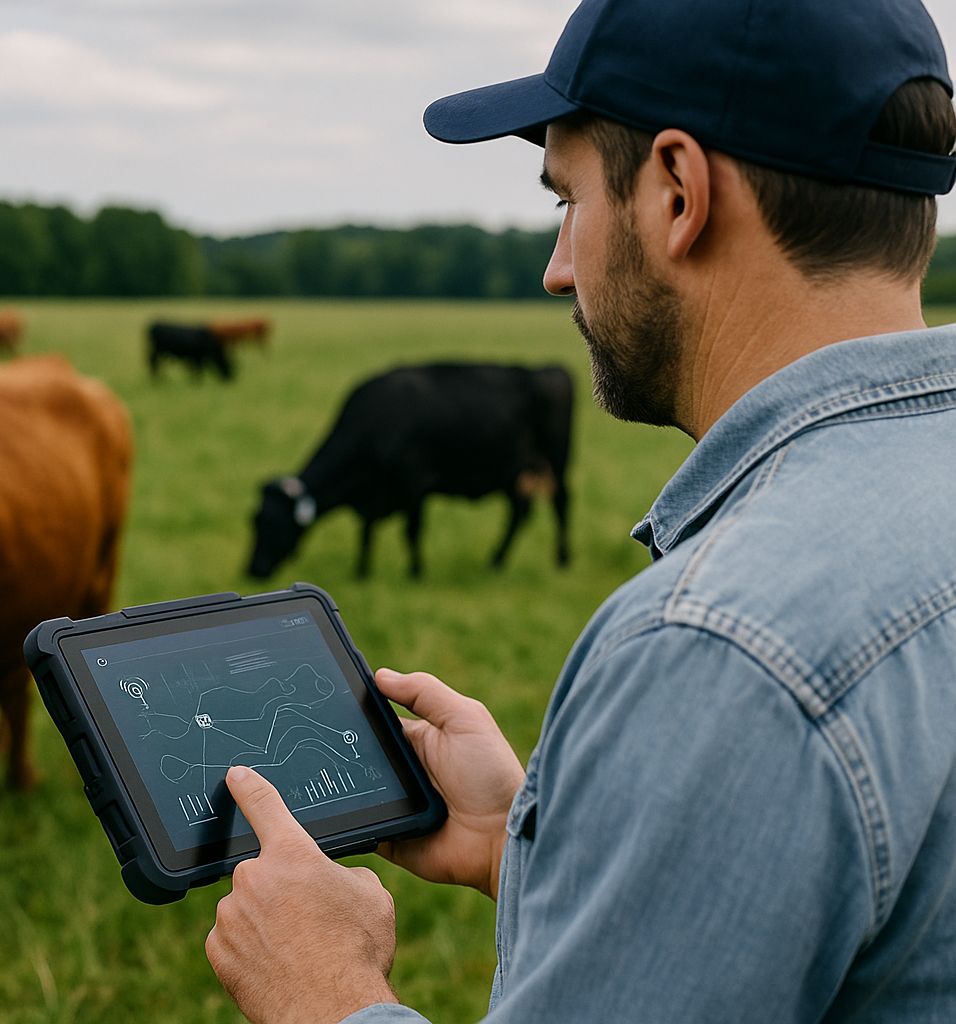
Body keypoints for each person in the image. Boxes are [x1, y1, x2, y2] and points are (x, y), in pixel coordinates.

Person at [204, 0, 956, 1021]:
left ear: (678, 193)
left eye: (570, 199)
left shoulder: (718, 649)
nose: (558, 265)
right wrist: (539, 838)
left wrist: (325, 990)